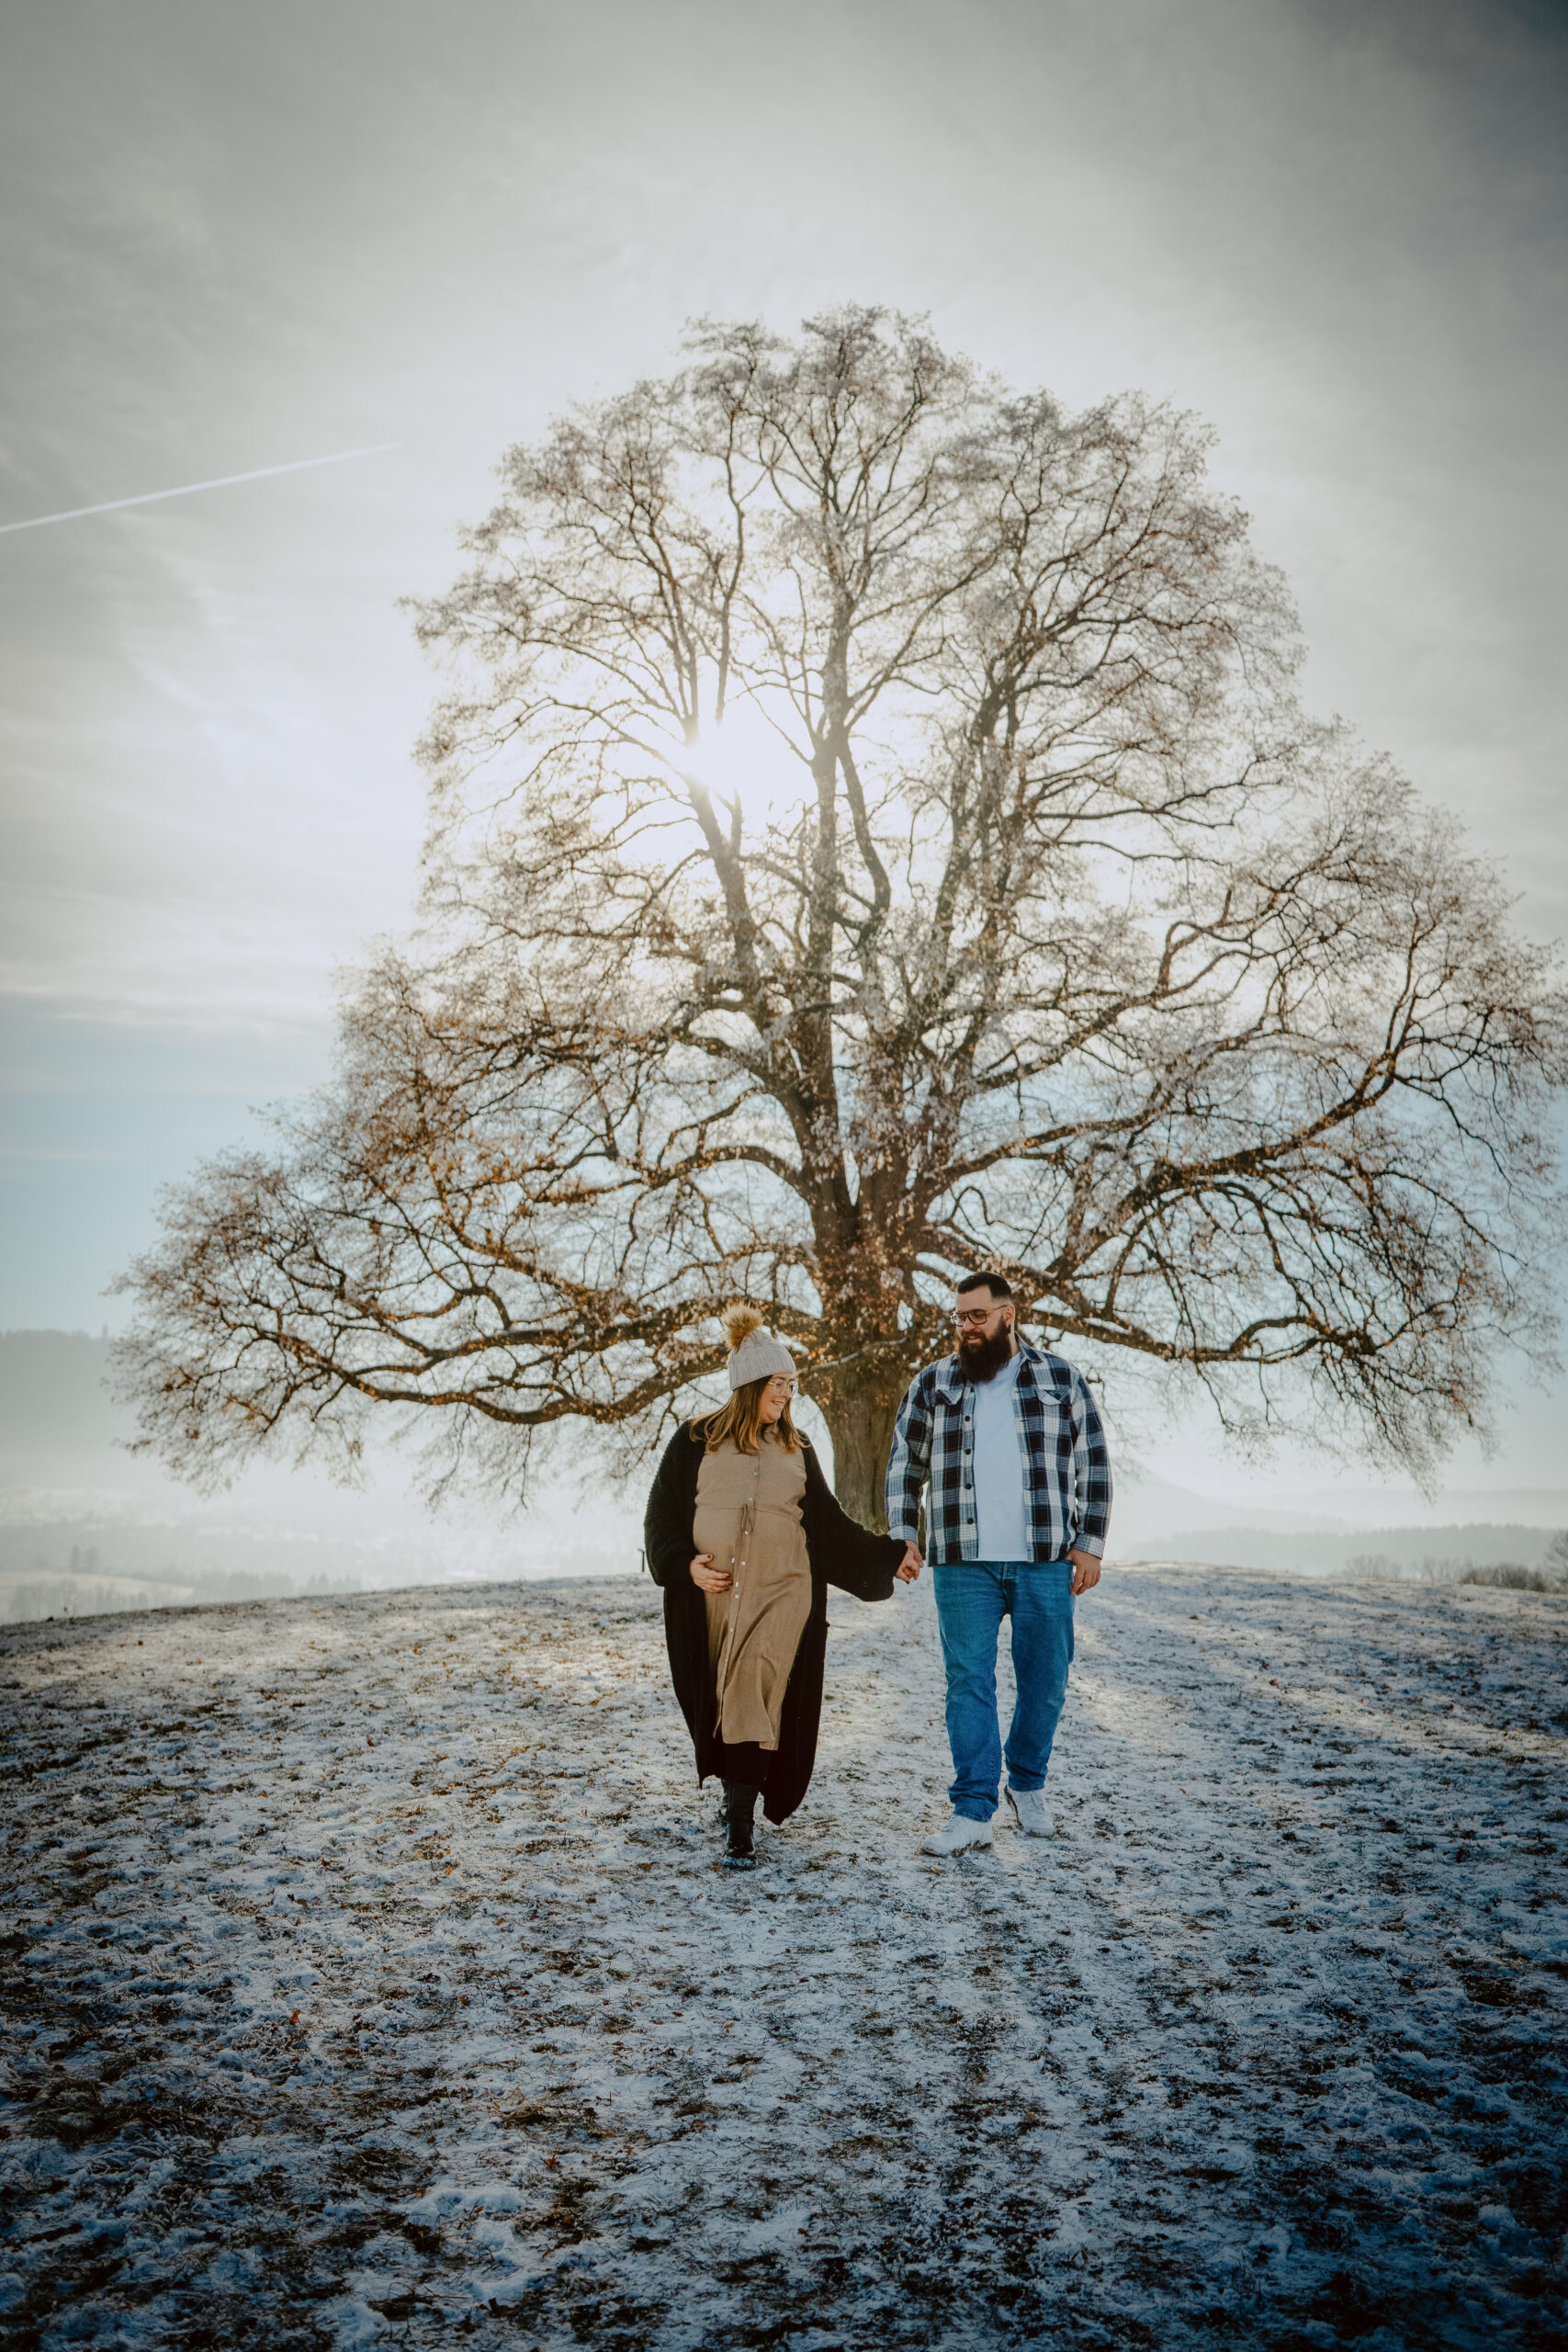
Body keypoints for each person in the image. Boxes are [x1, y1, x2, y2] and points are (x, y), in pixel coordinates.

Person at [644, 1305, 920, 1868]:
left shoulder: (799, 1450)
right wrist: (683, 1567)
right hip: (714, 1603)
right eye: (778, 1383)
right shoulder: (693, 1440)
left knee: (752, 1693)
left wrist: (887, 1556)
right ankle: (735, 1793)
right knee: (722, 1700)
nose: (787, 1394)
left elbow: (829, 1526)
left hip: (784, 1596)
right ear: (749, 1385)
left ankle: (740, 1834)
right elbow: (660, 1519)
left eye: (792, 1384)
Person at [885, 1272, 1111, 1856]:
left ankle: (1028, 1785)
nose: (966, 1327)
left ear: (1008, 1316)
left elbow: (1095, 1465)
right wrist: (903, 1536)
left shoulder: (1061, 1379)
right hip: (962, 1561)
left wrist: (1090, 1542)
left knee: (1047, 1679)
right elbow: (903, 1466)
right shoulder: (933, 1383)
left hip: (1044, 1558)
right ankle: (973, 1810)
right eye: (960, 1317)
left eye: (977, 1316)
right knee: (968, 1683)